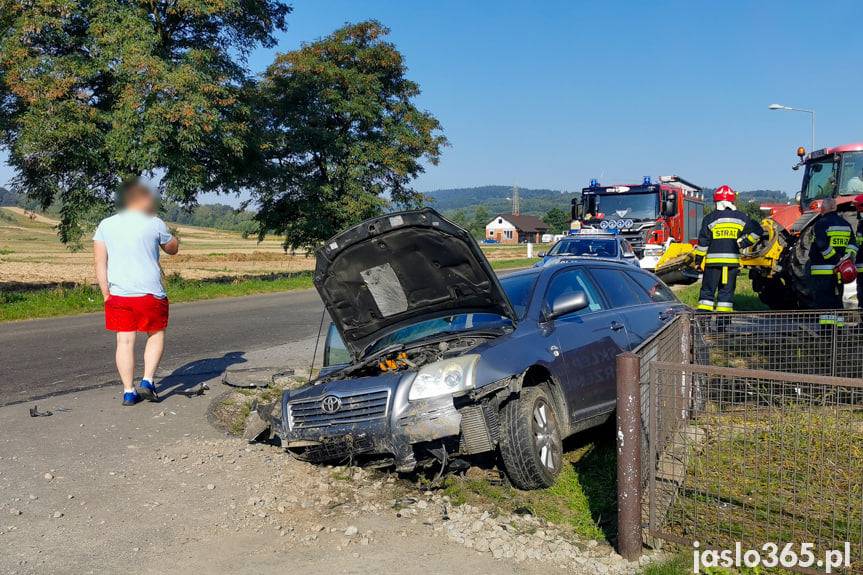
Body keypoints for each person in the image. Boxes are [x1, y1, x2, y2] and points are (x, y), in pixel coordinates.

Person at [93, 181, 179, 406]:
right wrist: (171, 236)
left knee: (124, 341)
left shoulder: (105, 225)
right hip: (151, 292)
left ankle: (128, 392)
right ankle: (148, 380)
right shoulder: (155, 222)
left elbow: (100, 262)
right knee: (156, 333)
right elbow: (172, 249)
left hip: (119, 292)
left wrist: (105, 293)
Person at [692, 185, 763, 312]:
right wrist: (744, 243)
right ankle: (722, 326)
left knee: (707, 296)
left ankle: (702, 324)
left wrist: (698, 261)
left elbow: (703, 243)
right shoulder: (742, 217)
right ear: (731, 201)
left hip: (713, 265)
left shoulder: (709, 218)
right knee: (726, 297)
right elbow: (758, 230)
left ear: (717, 202)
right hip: (732, 265)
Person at [808, 197, 857, 312]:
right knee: (838, 302)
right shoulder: (846, 224)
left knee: (824, 303)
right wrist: (844, 261)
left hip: (822, 272)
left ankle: (827, 329)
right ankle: (838, 329)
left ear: (823, 208)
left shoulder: (821, 224)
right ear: (835, 208)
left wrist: (836, 260)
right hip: (841, 272)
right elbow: (853, 245)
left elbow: (822, 245)